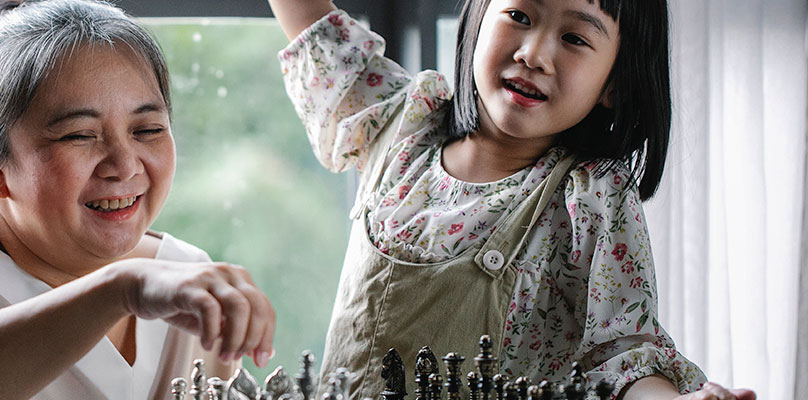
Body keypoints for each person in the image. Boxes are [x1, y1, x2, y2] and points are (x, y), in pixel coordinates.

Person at [267, 0, 757, 399]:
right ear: (479, 16)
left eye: (575, 38)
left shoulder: (589, 197)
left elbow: (622, 357)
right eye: (520, 16)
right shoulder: (401, 127)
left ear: (613, 83)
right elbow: (320, 34)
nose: (534, 54)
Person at [0, 0, 276, 398]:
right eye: (80, 135)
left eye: (148, 129)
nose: (124, 164)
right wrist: (121, 289)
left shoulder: (186, 276)